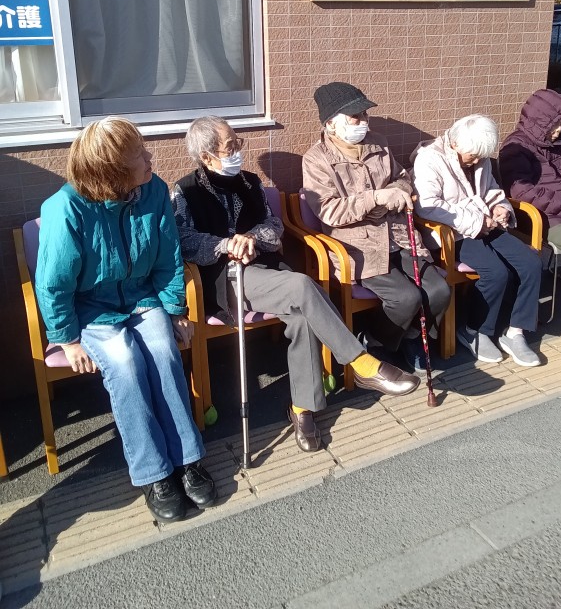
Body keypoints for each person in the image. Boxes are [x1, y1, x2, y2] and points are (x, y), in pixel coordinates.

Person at [171, 116, 420, 454]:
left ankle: (302, 408)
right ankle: (360, 363)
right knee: (302, 285)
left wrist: (251, 238)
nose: (238, 151)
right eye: (230, 147)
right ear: (206, 156)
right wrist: (227, 245)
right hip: (227, 278)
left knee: (302, 316)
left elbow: (274, 225)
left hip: (268, 269)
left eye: (238, 143)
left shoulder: (250, 182)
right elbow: (183, 240)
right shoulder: (186, 191)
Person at [35, 118, 216, 524]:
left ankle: (187, 459)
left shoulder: (153, 190)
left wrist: (175, 310)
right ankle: (154, 474)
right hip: (90, 308)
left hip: (141, 297)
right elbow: (53, 283)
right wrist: (67, 339)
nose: (150, 157)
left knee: (164, 354)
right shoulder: (66, 208)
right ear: (113, 170)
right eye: (139, 154)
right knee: (125, 365)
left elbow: (169, 257)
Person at [302, 82, 451, 373]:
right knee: (405, 298)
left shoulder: (379, 143)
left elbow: (403, 178)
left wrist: (395, 193)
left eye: (364, 114)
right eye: (354, 116)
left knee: (439, 290)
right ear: (330, 124)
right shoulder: (316, 160)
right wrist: (376, 198)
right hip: (358, 245)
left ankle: (411, 336)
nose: (363, 121)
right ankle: (376, 339)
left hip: (399, 235)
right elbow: (328, 210)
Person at [413, 114, 542, 367]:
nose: (476, 161)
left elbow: (491, 189)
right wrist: (478, 221)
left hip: (486, 224)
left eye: (480, 156)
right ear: (455, 144)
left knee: (531, 262)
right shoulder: (429, 159)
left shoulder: (479, 159)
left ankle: (515, 331)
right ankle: (474, 330)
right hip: (453, 232)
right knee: (496, 272)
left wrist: (500, 207)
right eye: (472, 156)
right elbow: (428, 206)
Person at [500, 89, 561, 343]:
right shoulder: (515, 148)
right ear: (539, 122)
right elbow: (523, 192)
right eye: (554, 125)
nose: (558, 131)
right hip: (547, 218)